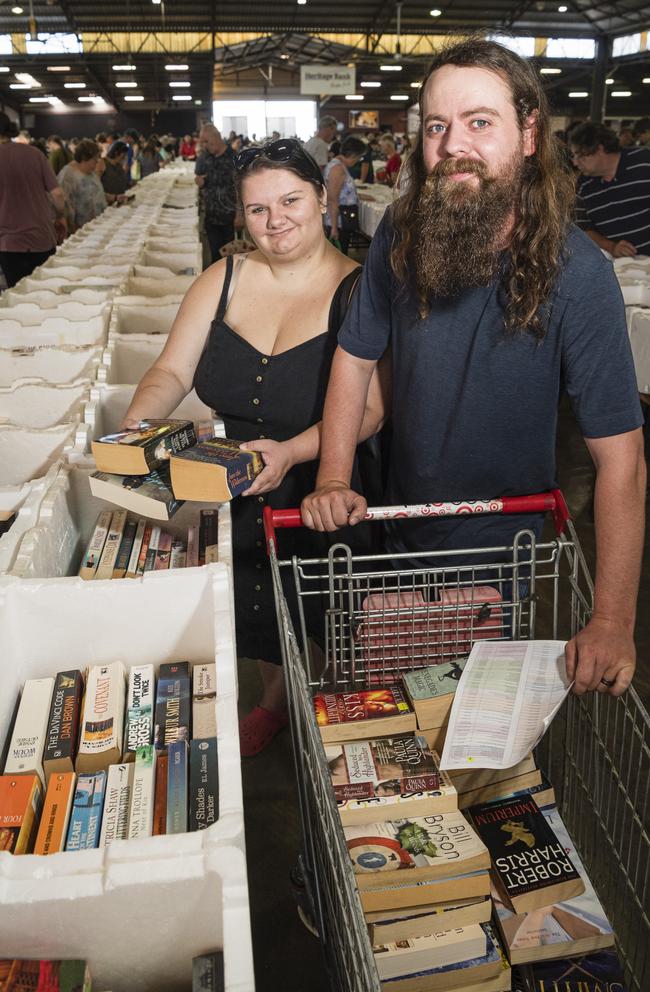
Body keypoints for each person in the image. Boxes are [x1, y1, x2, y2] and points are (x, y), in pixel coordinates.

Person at [302, 37, 646, 700]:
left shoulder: (580, 275)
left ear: (528, 133)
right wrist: (334, 474)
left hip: (505, 551)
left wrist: (612, 621)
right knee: (398, 711)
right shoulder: (402, 234)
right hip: (397, 523)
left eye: (479, 122)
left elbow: (622, 459)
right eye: (438, 126)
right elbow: (355, 354)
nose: (454, 145)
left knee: (477, 724)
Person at [121, 138, 386, 754]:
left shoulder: (360, 289)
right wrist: (135, 433)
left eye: (291, 200)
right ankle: (274, 698)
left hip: (326, 479)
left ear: (323, 198)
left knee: (332, 608)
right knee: (258, 599)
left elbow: (372, 411)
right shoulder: (223, 279)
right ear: (241, 215)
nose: (276, 221)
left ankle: (340, 700)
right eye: (258, 209)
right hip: (238, 481)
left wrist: (293, 453)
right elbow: (169, 372)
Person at [0, 112, 66, 287]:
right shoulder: (34, 153)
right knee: (47, 292)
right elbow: (58, 194)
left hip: (10, 245)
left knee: (20, 300)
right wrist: (60, 216)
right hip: (42, 238)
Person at [569, 122, 650, 258]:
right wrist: (612, 247)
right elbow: (583, 229)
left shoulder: (644, 162)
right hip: (623, 267)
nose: (576, 163)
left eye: (580, 156)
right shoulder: (583, 184)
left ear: (600, 149)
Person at [194, 124, 237, 263]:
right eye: (203, 143)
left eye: (207, 141)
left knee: (229, 257)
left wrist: (241, 215)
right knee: (215, 257)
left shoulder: (234, 158)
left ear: (217, 137)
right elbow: (200, 176)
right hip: (211, 216)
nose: (205, 145)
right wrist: (200, 181)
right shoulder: (204, 157)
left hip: (229, 217)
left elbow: (242, 188)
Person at [323, 135, 366, 255]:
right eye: (359, 157)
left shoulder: (339, 165)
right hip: (339, 221)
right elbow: (333, 199)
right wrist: (334, 227)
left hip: (340, 219)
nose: (358, 161)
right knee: (339, 255)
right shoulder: (337, 169)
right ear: (353, 155)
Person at [58, 138, 105, 231]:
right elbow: (64, 206)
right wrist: (73, 229)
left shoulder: (91, 172)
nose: (97, 162)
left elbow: (95, 192)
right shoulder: (68, 175)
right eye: (95, 159)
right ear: (84, 158)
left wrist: (114, 197)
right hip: (80, 229)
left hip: (96, 225)